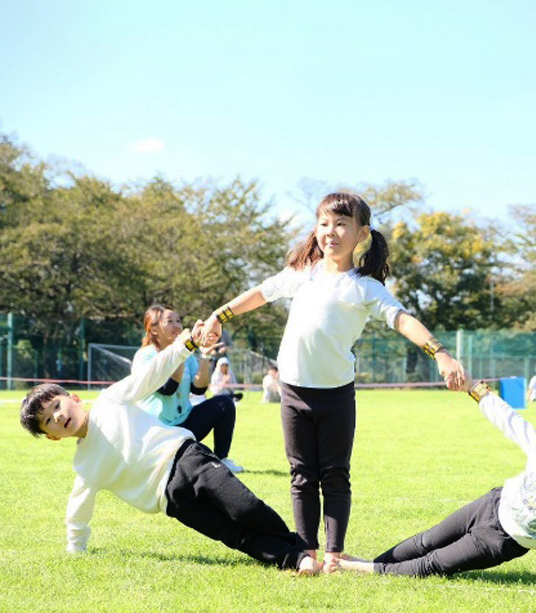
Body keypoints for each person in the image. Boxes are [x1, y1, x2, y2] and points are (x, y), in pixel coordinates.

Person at [200, 192, 466, 570]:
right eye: (324, 223)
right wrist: (219, 315)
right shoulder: (301, 275)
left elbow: (403, 319)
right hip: (293, 390)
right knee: (301, 475)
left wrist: (440, 352)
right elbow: (260, 293)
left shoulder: (365, 287)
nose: (331, 232)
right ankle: (307, 552)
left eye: (342, 224)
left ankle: (333, 555)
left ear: (361, 234)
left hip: (336, 395)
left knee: (335, 475)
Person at [19, 326, 320, 575]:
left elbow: (150, 374)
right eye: (48, 421)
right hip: (172, 501)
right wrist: (75, 547)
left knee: (245, 508)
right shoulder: (84, 465)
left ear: (74, 398)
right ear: (53, 438)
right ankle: (294, 559)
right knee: (235, 536)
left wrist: (183, 345)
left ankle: (300, 547)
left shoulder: (111, 400)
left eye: (57, 406)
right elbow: (78, 509)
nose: (57, 416)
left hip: (187, 458)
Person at [335, 381, 536, 600]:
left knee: (434, 564)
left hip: (500, 542)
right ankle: (374, 567)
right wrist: (477, 390)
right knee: (427, 539)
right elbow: (510, 420)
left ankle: (357, 567)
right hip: (490, 504)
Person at [132, 304, 243, 473]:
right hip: (159, 431)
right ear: (154, 330)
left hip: (184, 424)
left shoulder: (187, 354)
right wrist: (181, 350)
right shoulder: (145, 356)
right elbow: (168, 389)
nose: (177, 326)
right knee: (187, 460)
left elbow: (198, 389)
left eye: (178, 320)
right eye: (170, 321)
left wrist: (205, 356)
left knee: (225, 404)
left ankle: (222, 458)